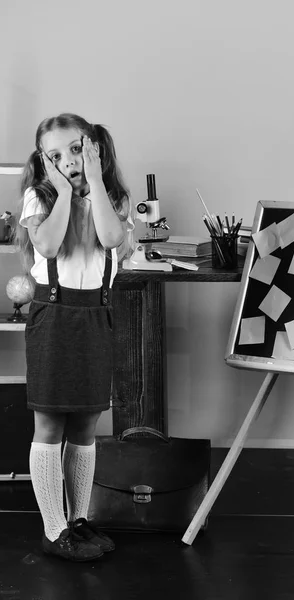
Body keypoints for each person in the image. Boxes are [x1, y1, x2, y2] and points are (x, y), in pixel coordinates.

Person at [15, 113, 134, 561]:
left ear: (94, 147)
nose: (68, 160)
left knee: (85, 424)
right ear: (44, 162)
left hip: (96, 315)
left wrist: (95, 183)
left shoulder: (113, 198)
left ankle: (77, 520)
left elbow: (109, 236)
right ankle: (52, 528)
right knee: (49, 423)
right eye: (55, 155)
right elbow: (46, 246)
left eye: (76, 149)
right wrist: (64, 193)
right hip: (54, 315)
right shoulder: (39, 197)